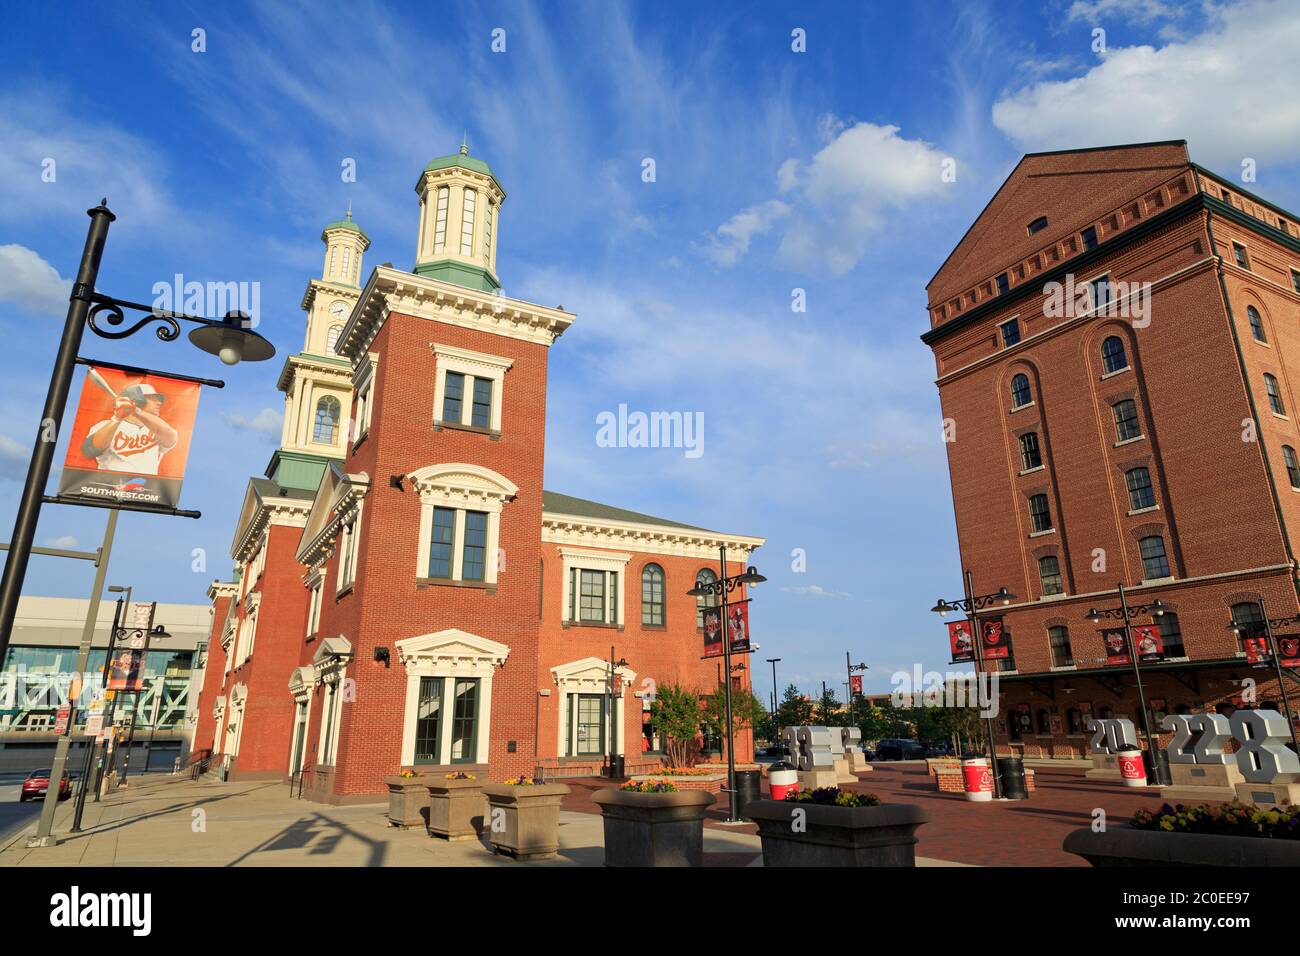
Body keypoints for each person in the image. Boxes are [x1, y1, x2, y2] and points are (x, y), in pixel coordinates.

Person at [82, 383, 178, 475]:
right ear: (137, 400)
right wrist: (117, 418)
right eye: (153, 399)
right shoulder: (106, 425)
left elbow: (170, 435)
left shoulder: (158, 428)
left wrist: (136, 411)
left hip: (145, 489)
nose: (159, 403)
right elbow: (90, 451)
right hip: (110, 487)